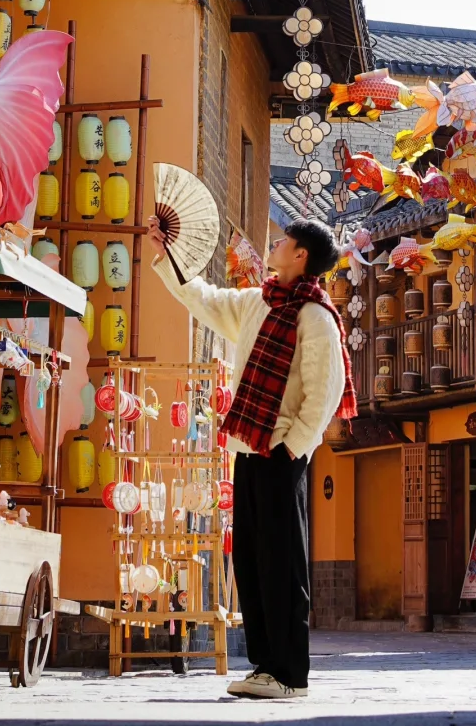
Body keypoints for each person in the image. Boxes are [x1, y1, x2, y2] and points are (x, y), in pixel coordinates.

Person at [146, 214, 356, 699]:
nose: (276, 245)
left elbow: (325, 393)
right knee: (252, 559)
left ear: (301, 255)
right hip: (248, 448)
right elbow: (206, 299)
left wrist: (291, 447)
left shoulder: (316, 317)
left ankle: (290, 674)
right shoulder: (260, 302)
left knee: (283, 562)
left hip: (282, 452)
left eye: (284, 241)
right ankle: (265, 665)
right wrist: (166, 254)